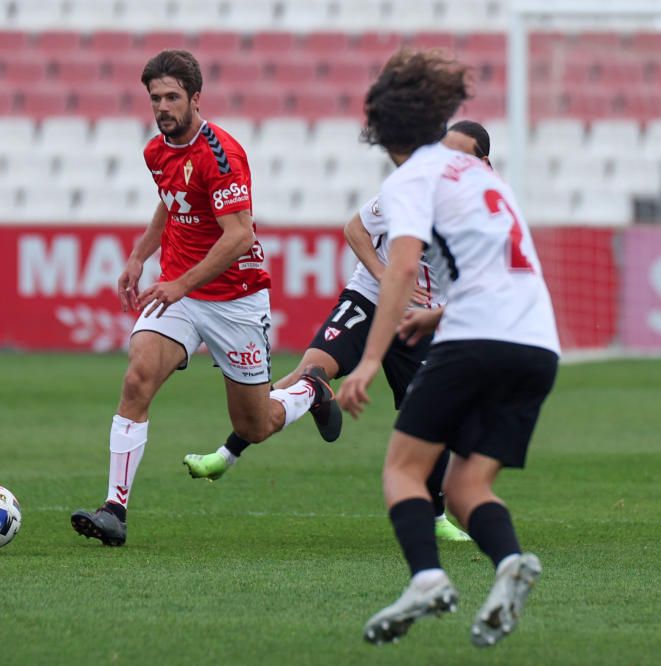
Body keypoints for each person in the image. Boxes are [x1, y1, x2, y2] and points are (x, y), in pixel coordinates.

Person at [70, 50, 341, 547]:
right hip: (181, 291)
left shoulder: (222, 154)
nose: (163, 107)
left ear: (196, 98)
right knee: (138, 378)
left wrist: (179, 284)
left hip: (235, 300)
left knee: (255, 426)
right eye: (155, 98)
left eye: (173, 97)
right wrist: (138, 256)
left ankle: (309, 390)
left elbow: (239, 236)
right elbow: (172, 203)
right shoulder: (156, 151)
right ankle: (114, 510)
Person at [335, 49, 560, 648]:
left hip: (477, 337)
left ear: (380, 131)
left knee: (404, 469)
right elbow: (508, 268)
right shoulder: (486, 177)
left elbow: (401, 268)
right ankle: (510, 562)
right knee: (465, 489)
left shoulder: (412, 178)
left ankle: (427, 578)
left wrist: (372, 359)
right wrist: (437, 314)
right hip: (537, 343)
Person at [182, 123, 496, 544]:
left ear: (484, 164)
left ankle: (436, 516)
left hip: (425, 319)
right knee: (310, 370)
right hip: (369, 298)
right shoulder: (412, 189)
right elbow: (355, 228)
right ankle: (227, 454)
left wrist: (434, 313)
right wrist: (386, 279)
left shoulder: (489, 217)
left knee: (433, 415)